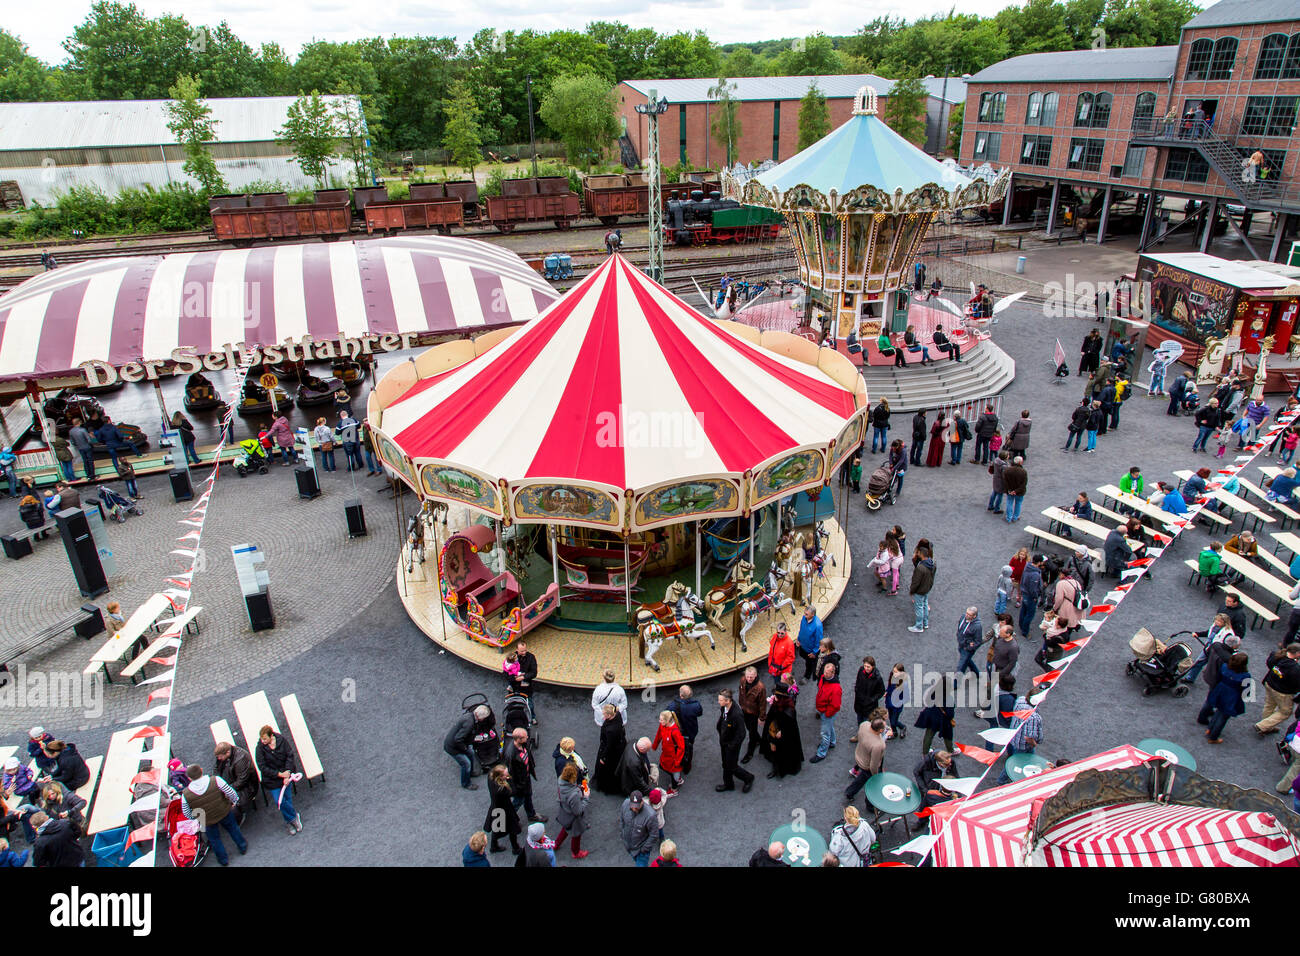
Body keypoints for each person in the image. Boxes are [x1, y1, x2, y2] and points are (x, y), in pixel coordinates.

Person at [180, 763, 247, 866]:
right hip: (223, 811)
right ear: (201, 770)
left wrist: (196, 818)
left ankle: (223, 860)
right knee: (233, 829)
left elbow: (186, 812)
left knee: (215, 840)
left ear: (189, 778)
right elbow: (230, 792)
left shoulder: (185, 794)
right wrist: (234, 802)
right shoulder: (216, 780)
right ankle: (242, 847)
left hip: (205, 819)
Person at [255, 725, 303, 835]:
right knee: (280, 801)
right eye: (262, 739)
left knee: (287, 799)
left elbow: (289, 756)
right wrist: (280, 775)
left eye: (265, 739)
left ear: (271, 736)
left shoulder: (281, 740)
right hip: (273, 779)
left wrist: (287, 774)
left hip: (286, 774)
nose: (263, 741)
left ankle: (289, 821)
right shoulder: (260, 748)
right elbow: (262, 767)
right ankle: (293, 818)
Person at [1197, 652, 1251, 743]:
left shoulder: (1225, 667)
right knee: (1223, 717)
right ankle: (1213, 737)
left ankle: (1210, 728)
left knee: (1218, 711)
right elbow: (1246, 691)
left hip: (1220, 691)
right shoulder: (1245, 675)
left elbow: (1218, 678)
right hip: (1232, 696)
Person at [760, 679, 803, 778]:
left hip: (783, 735)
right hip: (775, 729)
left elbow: (790, 726)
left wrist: (782, 731)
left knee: (780, 752)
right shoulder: (777, 703)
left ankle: (778, 769)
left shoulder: (789, 709)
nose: (774, 697)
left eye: (776, 695)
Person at [1254, 644, 1300, 736]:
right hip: (1282, 692)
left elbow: (1269, 664)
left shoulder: (1277, 655)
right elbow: (1297, 684)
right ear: (1297, 653)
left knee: (1269, 705)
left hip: (1270, 683)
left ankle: (1267, 727)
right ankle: (1263, 725)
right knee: (1285, 712)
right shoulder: (1294, 668)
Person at [503, 727, 545, 823]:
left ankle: (531, 815)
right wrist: (519, 787)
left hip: (525, 779)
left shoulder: (523, 744)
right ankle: (509, 819)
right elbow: (511, 773)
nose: (528, 738)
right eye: (526, 737)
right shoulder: (511, 754)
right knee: (518, 801)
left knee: (528, 797)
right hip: (519, 784)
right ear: (518, 739)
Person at [716, 689, 754, 793]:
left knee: (732, 766)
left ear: (727, 701)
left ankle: (748, 778)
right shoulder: (724, 708)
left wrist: (732, 745)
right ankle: (728, 784)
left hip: (731, 744)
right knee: (725, 764)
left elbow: (741, 733)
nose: (718, 702)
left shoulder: (736, 714)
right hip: (725, 741)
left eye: (720, 700)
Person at [843, 717, 887, 804]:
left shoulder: (864, 725)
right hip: (867, 765)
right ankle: (870, 805)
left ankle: (850, 792)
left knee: (862, 778)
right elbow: (873, 764)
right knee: (872, 785)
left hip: (860, 756)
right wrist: (875, 776)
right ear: (880, 730)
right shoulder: (878, 745)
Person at [552, 763, 590, 860]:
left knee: (565, 828)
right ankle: (576, 852)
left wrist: (578, 788)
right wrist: (586, 797)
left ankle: (556, 844)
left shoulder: (560, 781)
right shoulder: (574, 795)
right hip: (574, 818)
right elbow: (578, 811)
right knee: (576, 834)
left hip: (565, 811)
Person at [664, 685, 703, 775]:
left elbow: (666, 714)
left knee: (677, 747)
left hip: (678, 732)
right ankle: (687, 766)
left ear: (681, 695)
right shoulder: (696, 705)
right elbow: (700, 713)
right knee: (689, 748)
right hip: (691, 731)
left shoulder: (673, 705)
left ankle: (677, 762)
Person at [213, 741, 259, 815]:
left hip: (248, 786)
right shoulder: (224, 755)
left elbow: (242, 781)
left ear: (227, 753)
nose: (219, 758)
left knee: (229, 802)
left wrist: (227, 790)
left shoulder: (240, 759)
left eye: (220, 757)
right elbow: (217, 768)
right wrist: (215, 780)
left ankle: (239, 815)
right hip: (233, 778)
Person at [484, 764, 522, 854]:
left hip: (496, 808)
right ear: (500, 776)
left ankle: (494, 846)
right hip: (506, 810)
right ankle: (515, 848)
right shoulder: (501, 790)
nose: (507, 775)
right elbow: (513, 791)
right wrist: (510, 780)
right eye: (506, 774)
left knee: (496, 830)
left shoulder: (490, 777)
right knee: (512, 829)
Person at [444, 705, 483, 791]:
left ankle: (471, 772)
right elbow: (458, 739)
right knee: (466, 763)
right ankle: (466, 783)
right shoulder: (469, 723)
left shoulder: (470, 716)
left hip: (460, 743)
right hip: (453, 747)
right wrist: (465, 748)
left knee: (471, 753)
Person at [810, 663, 841, 763]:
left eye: (827, 673)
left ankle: (821, 753)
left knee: (824, 733)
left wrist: (827, 713)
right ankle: (832, 742)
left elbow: (835, 705)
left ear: (833, 673)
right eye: (824, 672)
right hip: (823, 710)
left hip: (827, 712)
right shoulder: (824, 678)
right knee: (829, 727)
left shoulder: (836, 688)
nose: (825, 674)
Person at [620, 790, 658, 866]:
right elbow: (622, 820)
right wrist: (622, 834)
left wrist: (644, 849)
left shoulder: (650, 815)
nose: (634, 809)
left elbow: (654, 835)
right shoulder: (625, 804)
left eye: (637, 806)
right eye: (633, 806)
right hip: (629, 846)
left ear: (642, 802)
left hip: (641, 852)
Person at [738, 667, 767, 763]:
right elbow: (741, 693)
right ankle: (760, 740)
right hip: (744, 709)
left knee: (752, 732)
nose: (749, 679)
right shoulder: (743, 680)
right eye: (747, 677)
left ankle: (750, 753)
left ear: (756, 675)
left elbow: (763, 704)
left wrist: (762, 717)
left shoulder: (760, 687)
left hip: (754, 713)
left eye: (751, 677)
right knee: (750, 728)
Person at [595, 703, 626, 794]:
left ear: (609, 715)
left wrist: (603, 757)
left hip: (612, 751)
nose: (603, 715)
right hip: (619, 746)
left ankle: (607, 787)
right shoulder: (618, 715)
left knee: (608, 769)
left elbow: (609, 746)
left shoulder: (611, 730)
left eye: (604, 714)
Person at [652, 712, 686, 791]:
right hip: (666, 754)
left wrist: (677, 761)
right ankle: (678, 779)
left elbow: (681, 747)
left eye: (661, 720)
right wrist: (655, 745)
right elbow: (658, 735)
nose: (659, 721)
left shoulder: (675, 732)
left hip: (674, 757)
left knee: (674, 772)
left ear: (667, 721)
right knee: (663, 766)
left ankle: (674, 789)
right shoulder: (662, 725)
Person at [907, 543, 935, 633]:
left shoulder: (920, 568)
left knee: (919, 607)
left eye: (918, 553)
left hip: (920, 590)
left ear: (921, 554)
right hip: (927, 588)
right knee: (925, 604)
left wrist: (912, 591)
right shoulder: (932, 564)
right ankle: (925, 623)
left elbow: (916, 582)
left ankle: (919, 626)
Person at [796, 604, 823, 680]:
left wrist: (814, 652)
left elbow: (819, 640)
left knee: (809, 664)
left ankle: (807, 676)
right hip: (803, 645)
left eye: (806, 614)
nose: (804, 615)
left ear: (813, 614)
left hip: (810, 650)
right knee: (803, 656)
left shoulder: (817, 625)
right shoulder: (804, 618)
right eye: (804, 613)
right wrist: (798, 639)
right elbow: (801, 629)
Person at [956, 607, 984, 676]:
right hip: (961, 644)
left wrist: (968, 648)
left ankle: (955, 684)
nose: (966, 615)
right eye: (966, 613)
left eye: (969, 615)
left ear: (974, 616)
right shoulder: (963, 617)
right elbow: (960, 628)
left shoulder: (977, 626)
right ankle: (977, 674)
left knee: (960, 667)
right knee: (967, 661)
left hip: (967, 649)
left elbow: (978, 641)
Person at [1002, 455, 1028, 523]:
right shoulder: (1023, 472)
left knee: (1009, 503)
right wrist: (1016, 491)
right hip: (1019, 492)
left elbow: (1005, 482)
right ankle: (1015, 517)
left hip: (1009, 491)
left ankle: (1009, 517)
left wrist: (1010, 490)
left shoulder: (1007, 470)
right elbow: (1024, 484)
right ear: (1020, 462)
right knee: (1018, 504)